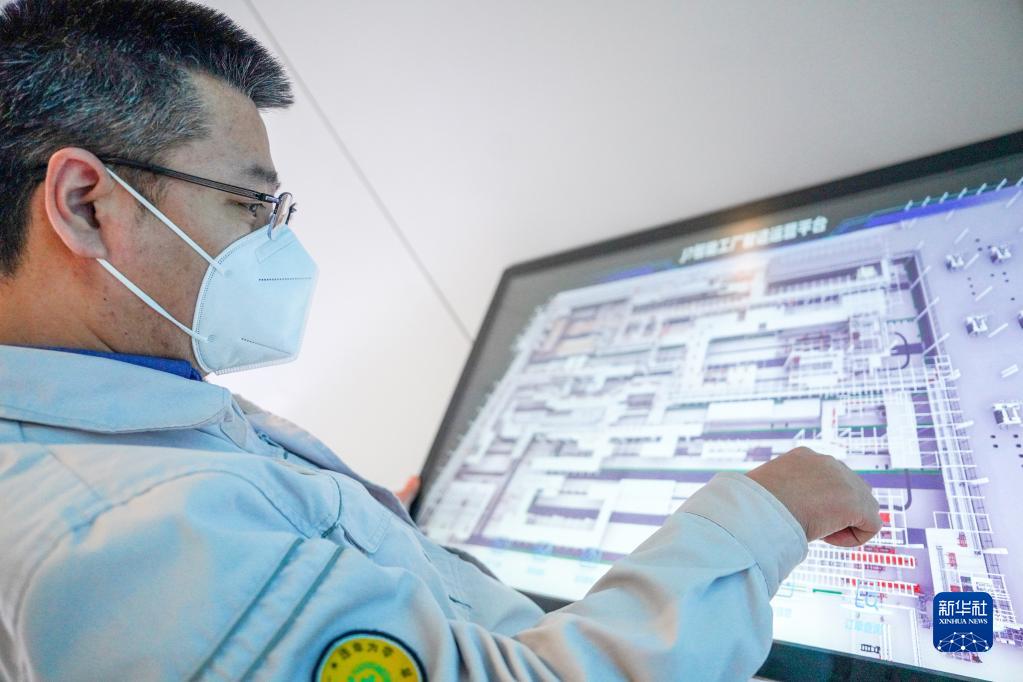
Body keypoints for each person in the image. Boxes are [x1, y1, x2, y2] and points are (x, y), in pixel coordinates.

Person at [0, 1, 882, 680]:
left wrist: (359, 539)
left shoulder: (110, 427)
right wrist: (762, 518)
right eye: (250, 202)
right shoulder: (127, 540)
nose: (275, 240)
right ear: (86, 204)